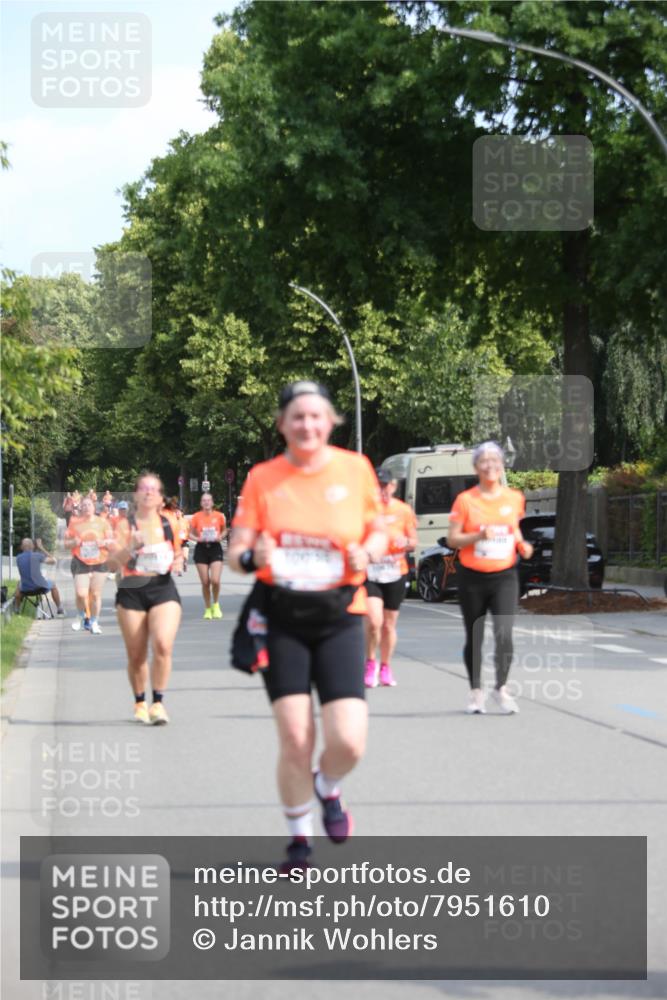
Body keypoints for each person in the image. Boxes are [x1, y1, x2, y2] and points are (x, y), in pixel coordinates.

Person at [228, 380, 387, 870]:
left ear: (331, 421)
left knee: (349, 741)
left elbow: (378, 529)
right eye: (297, 416)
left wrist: (371, 550)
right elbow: (236, 553)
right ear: (282, 425)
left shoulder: (354, 469)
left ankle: (328, 785)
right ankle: (300, 838)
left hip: (341, 615)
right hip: (282, 618)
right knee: (296, 738)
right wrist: (255, 554)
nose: (307, 424)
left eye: (316, 415)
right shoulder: (263, 478)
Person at [446, 441, 533, 715]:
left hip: (504, 575)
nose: (490, 465)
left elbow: (513, 528)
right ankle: (475, 692)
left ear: (502, 465)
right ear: (476, 467)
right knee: (475, 636)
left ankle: (501, 689)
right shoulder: (466, 501)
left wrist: (522, 544)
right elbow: (452, 539)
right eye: (484, 461)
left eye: (495, 460)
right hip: (472, 576)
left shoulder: (514, 498)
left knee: (504, 635)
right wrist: (478, 536)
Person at [108, 472, 183, 725]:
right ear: (135, 495)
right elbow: (109, 564)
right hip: (131, 589)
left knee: (163, 644)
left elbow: (178, 552)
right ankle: (140, 702)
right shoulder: (124, 525)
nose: (148, 492)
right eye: (143, 488)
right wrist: (130, 547)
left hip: (162, 588)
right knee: (137, 654)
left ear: (161, 498)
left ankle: (158, 703)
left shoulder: (169, 522)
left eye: (154, 489)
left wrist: (178, 560)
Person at [364, 467, 418, 688]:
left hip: (395, 571)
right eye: (378, 486)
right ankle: (370, 664)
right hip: (371, 572)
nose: (382, 490)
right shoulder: (365, 511)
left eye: (385, 486)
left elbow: (413, 540)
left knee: (388, 625)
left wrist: (406, 543)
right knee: (374, 621)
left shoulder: (403, 510)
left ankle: (385, 666)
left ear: (393, 487)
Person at [64, 497, 114, 634]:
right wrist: (74, 542)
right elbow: (66, 543)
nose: (86, 507)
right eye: (84, 505)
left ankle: (94, 622)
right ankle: (80, 615)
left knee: (96, 594)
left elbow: (111, 541)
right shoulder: (74, 523)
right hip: (81, 561)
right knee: (81, 593)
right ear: (80, 508)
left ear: (94, 507)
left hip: (100, 561)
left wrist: (103, 543)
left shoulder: (103, 522)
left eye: (89, 505)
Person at [189, 493, 226, 618]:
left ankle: (216, 605)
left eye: (208, 500)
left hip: (215, 548)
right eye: (204, 500)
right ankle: (208, 608)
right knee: (205, 582)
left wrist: (221, 536)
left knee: (215, 580)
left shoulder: (219, 516)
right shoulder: (196, 517)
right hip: (201, 549)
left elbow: (225, 530)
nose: (206, 502)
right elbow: (190, 533)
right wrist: (198, 539)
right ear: (201, 503)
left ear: (212, 502)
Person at [14, 538, 65, 615]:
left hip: (25, 589)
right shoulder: (38, 556)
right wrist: (41, 547)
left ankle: (16, 609)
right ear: (33, 547)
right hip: (40, 587)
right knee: (53, 584)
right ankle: (59, 608)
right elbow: (54, 561)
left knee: (19, 584)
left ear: (21, 547)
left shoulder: (18, 558)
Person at [164, 497, 190, 575]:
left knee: (185, 557)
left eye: (179, 512)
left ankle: (185, 563)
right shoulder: (172, 520)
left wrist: (189, 535)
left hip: (184, 541)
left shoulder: (185, 521)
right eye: (176, 512)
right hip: (176, 541)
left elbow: (189, 530)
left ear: (182, 513)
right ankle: (179, 571)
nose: (177, 513)